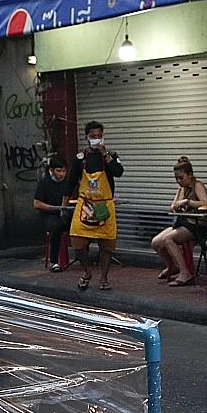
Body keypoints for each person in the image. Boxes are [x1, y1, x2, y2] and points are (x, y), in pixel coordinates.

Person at [65, 121, 123, 292]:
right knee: (77, 241)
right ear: (86, 137)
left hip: (105, 205)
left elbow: (119, 172)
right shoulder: (80, 159)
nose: (96, 140)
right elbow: (70, 183)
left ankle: (104, 278)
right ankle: (87, 271)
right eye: (93, 137)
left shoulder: (110, 155)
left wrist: (106, 156)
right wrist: (63, 205)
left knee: (106, 244)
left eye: (99, 136)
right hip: (85, 205)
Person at [151, 157, 207, 287]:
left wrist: (188, 202)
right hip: (181, 223)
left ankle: (185, 273)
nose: (179, 181)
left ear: (190, 175)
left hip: (195, 225)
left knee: (168, 240)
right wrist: (174, 206)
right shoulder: (181, 189)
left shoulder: (197, 185)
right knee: (156, 242)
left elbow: (206, 203)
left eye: (181, 178)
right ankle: (173, 266)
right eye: (176, 178)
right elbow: (173, 205)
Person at [32, 154, 70, 271]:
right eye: (59, 171)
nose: (62, 174)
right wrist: (53, 208)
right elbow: (36, 203)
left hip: (64, 213)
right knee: (56, 228)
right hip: (48, 216)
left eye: (64, 171)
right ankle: (54, 261)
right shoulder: (44, 183)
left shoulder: (67, 182)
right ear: (51, 170)